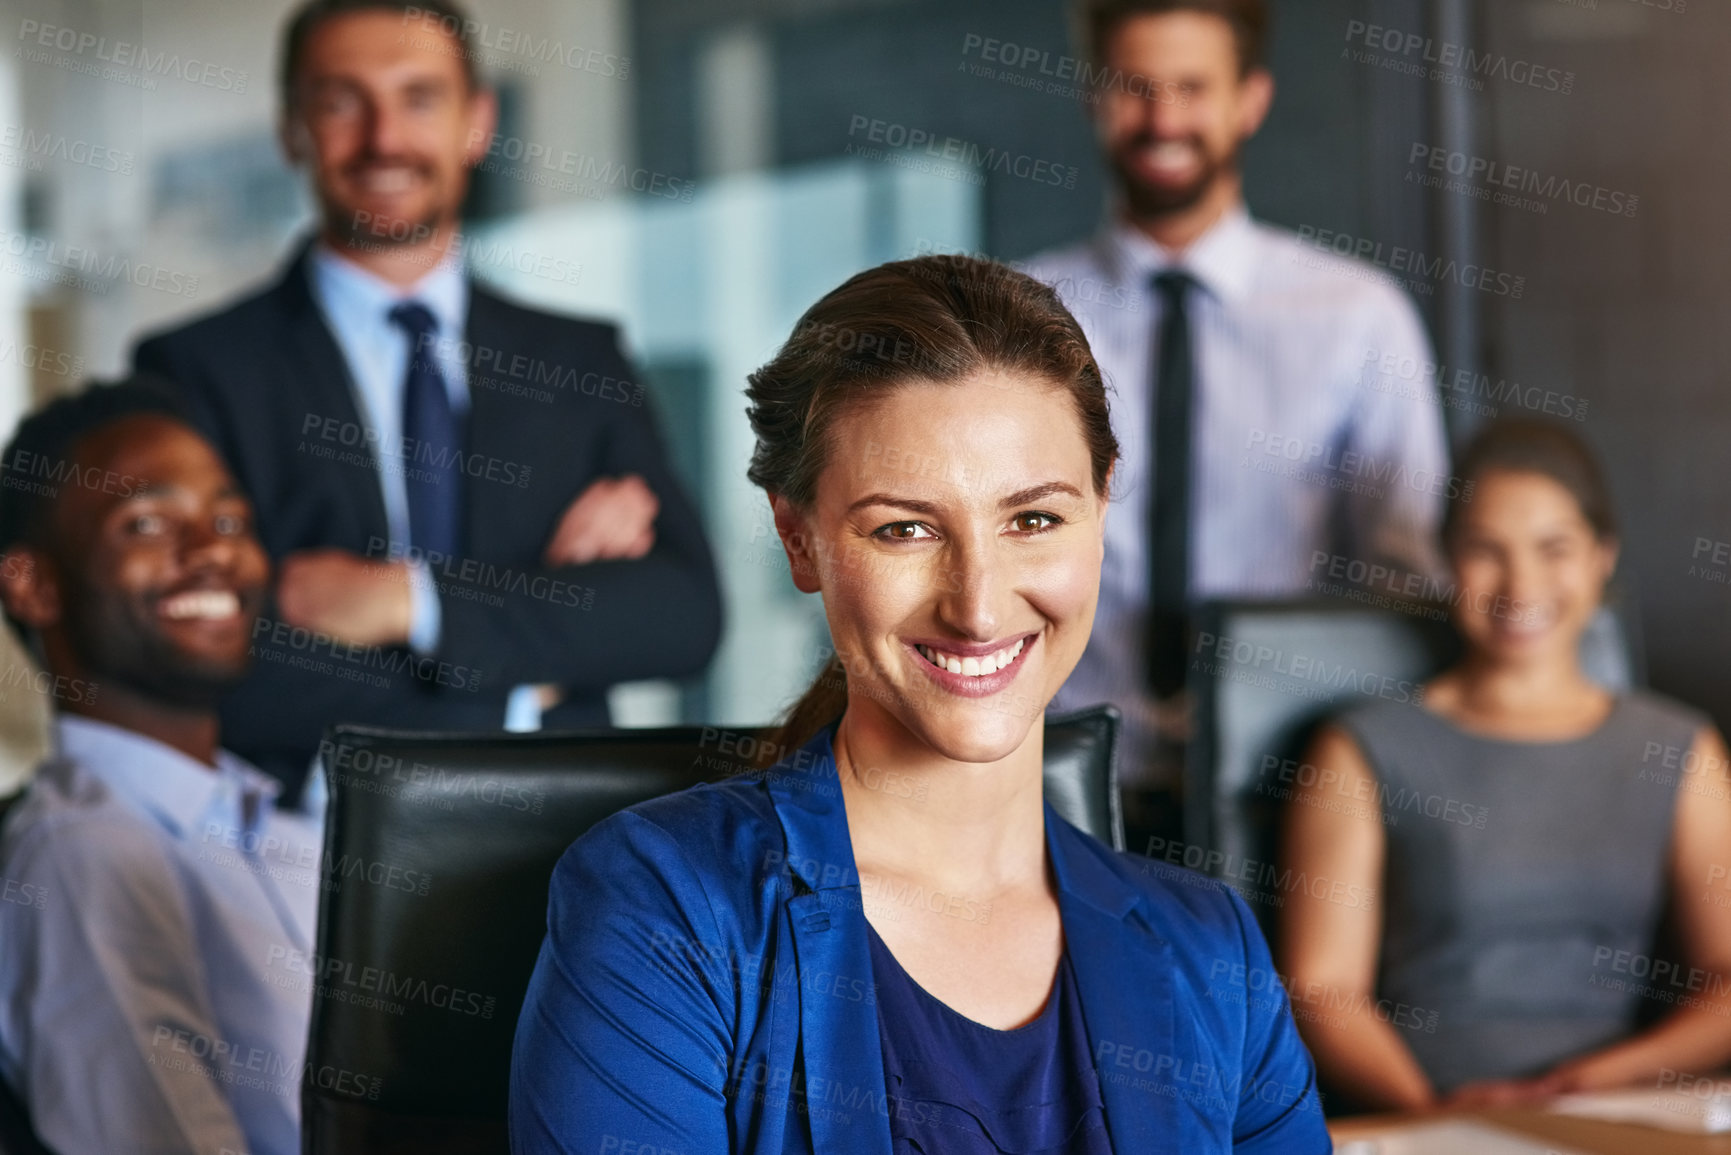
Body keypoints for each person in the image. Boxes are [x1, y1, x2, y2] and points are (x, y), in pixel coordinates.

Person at [509, 256, 1329, 1152]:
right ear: (801, 540)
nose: (977, 604)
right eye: (904, 528)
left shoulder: (1210, 952)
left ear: (1102, 506)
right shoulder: (664, 909)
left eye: (1034, 519)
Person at [133, 0, 722, 802]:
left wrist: (406, 600)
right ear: (292, 130)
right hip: (308, 854)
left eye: (419, 98)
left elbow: (680, 615)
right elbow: (217, 662)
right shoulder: (198, 368)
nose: (384, 139)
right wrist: (527, 669)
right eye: (342, 101)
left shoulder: (576, 360)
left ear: (476, 123)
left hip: (563, 834)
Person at [1024, 0, 1451, 834]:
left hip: (1282, 792)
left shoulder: (1356, 317)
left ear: (1249, 100)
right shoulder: (1018, 314)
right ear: (1090, 97)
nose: (1164, 118)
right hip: (1053, 778)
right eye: (1133, 88)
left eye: (1192, 86)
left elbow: (1404, 590)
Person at [1278, 419, 1731, 1111]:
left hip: (1619, 1115)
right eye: (1485, 550)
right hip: (1420, 1119)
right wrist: (1436, 1115)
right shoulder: (1358, 746)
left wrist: (1582, 1088)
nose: (1521, 583)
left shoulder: (1679, 747)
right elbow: (1322, 989)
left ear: (1600, 556)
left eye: (1553, 549)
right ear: (1446, 561)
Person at [0, 380, 322, 1155]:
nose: (214, 549)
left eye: (228, 519)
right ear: (34, 583)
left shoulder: (288, 824)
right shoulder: (86, 851)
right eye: (147, 521)